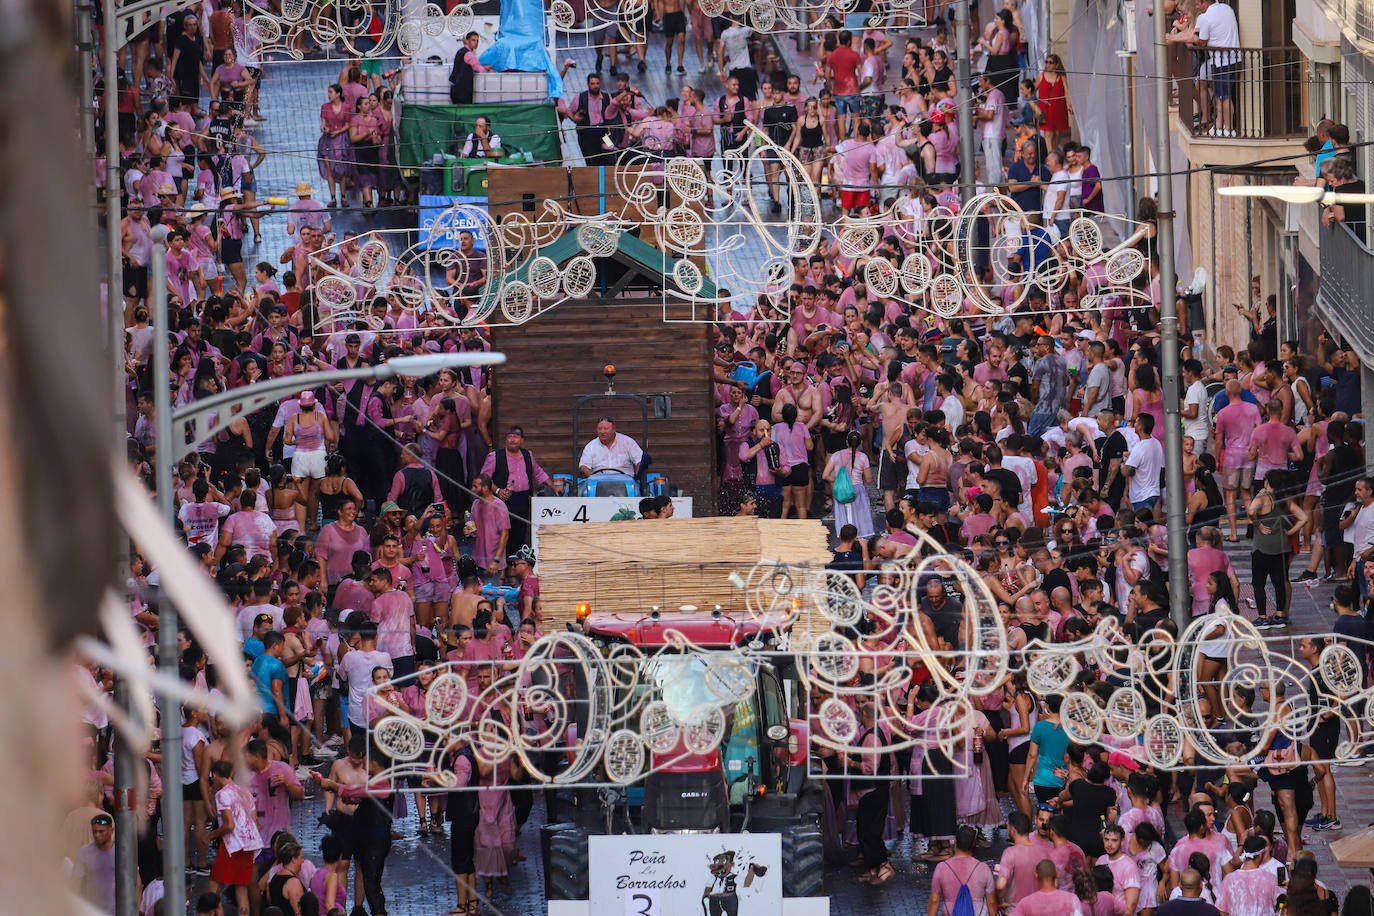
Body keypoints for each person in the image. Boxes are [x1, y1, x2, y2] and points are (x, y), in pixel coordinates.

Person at [930, 825, 998, 916]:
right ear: (973, 844)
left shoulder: (941, 868)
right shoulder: (983, 869)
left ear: (955, 841)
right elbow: (992, 902)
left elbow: (934, 901)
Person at [578, 416, 643, 479]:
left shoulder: (628, 442)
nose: (602, 432)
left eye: (606, 428)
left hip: (625, 482)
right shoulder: (591, 446)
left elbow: (640, 460)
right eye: (600, 429)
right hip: (599, 482)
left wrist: (636, 478)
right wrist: (592, 477)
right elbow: (583, 466)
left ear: (614, 429)